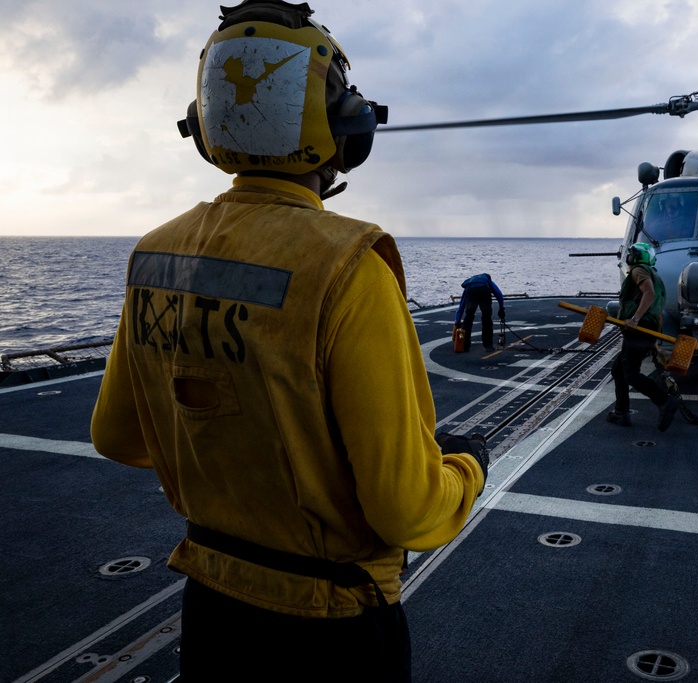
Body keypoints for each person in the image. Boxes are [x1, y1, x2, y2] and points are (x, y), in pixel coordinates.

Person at [90, 2, 488, 680]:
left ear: (206, 123)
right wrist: (466, 468)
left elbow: (119, 437)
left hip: (212, 608)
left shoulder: (156, 254)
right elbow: (407, 511)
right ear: (342, 128)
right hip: (329, 629)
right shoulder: (349, 267)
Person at [607, 243, 680, 431]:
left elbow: (649, 293)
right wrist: (654, 341)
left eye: (632, 254)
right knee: (618, 371)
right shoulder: (656, 276)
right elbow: (658, 312)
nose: (629, 257)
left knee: (631, 374)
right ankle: (621, 412)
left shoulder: (639, 271)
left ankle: (664, 401)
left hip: (639, 329)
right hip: (647, 330)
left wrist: (635, 318)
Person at [454, 273, 505, 351]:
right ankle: (488, 346)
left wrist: (457, 322)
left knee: (468, 318)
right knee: (486, 318)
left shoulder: (468, 285)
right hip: (484, 291)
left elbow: (462, 305)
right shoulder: (488, 281)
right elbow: (499, 294)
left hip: (471, 292)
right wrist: (501, 308)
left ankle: (465, 346)